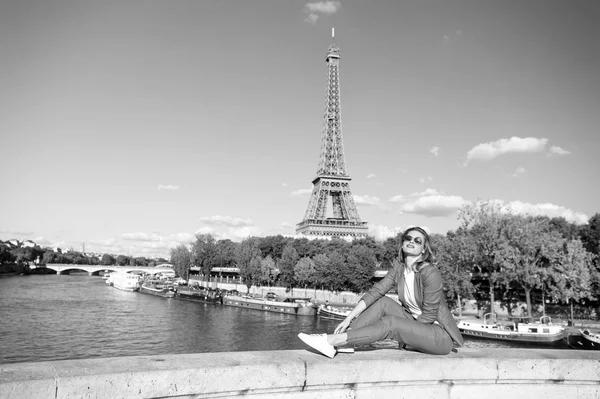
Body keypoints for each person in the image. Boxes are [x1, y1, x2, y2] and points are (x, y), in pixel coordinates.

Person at [298, 226, 464, 358]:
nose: (411, 241)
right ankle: (348, 341)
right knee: (383, 302)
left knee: (391, 323)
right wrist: (348, 318)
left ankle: (332, 340)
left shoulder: (430, 272)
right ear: (402, 243)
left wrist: (407, 334)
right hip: (416, 323)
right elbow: (376, 291)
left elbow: (428, 316)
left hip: (438, 336)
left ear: (423, 249)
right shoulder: (399, 268)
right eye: (408, 238)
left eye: (417, 240)